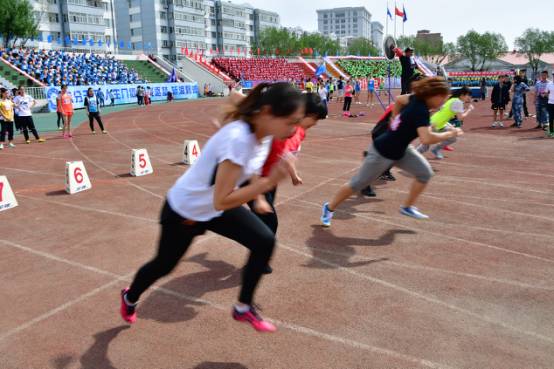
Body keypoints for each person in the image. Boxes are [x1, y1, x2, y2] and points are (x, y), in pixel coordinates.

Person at [119, 83, 305, 333]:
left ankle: (243, 307)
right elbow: (223, 200)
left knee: (264, 241)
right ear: (268, 112)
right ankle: (130, 297)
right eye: (291, 122)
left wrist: (258, 193)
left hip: (214, 207)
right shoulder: (239, 139)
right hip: (186, 210)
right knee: (164, 265)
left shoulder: (264, 132)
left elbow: (239, 105)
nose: (294, 130)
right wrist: (268, 183)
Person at [320, 77, 463, 225]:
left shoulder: (415, 98)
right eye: (443, 98)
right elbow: (426, 139)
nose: (444, 102)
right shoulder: (420, 110)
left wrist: (394, 117)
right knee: (357, 184)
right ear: (434, 95)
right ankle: (329, 208)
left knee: (425, 173)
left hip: (402, 150)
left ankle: (407, 207)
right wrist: (449, 134)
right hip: (382, 152)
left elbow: (400, 99)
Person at [246, 93, 327, 274]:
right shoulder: (280, 128)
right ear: (305, 113)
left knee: (264, 221)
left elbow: (289, 155)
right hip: (254, 179)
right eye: (314, 118)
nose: (315, 123)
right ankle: (259, 258)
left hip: (269, 181)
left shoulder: (299, 132)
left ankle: (258, 254)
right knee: (269, 222)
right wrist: (258, 196)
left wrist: (294, 175)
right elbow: (254, 161)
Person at [417, 86, 474, 159]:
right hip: (435, 124)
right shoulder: (458, 102)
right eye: (468, 95)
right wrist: (469, 109)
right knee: (425, 146)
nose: (469, 97)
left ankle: (436, 149)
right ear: (462, 95)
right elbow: (460, 118)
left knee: (452, 138)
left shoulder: (453, 99)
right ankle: (412, 157)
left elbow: (446, 109)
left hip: (439, 122)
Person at [546, 73, 554, 138]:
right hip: (550, 103)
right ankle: (551, 132)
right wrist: (543, 94)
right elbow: (546, 92)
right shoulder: (549, 84)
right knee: (551, 118)